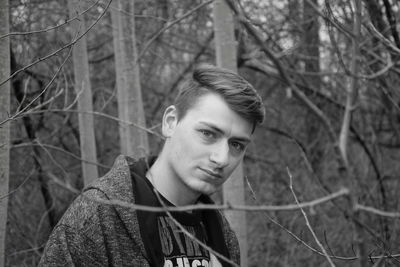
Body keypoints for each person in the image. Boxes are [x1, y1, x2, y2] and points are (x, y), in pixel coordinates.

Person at [39, 63, 265, 267]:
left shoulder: (222, 236)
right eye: (208, 133)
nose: (222, 158)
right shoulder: (98, 217)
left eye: (236, 145)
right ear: (170, 122)